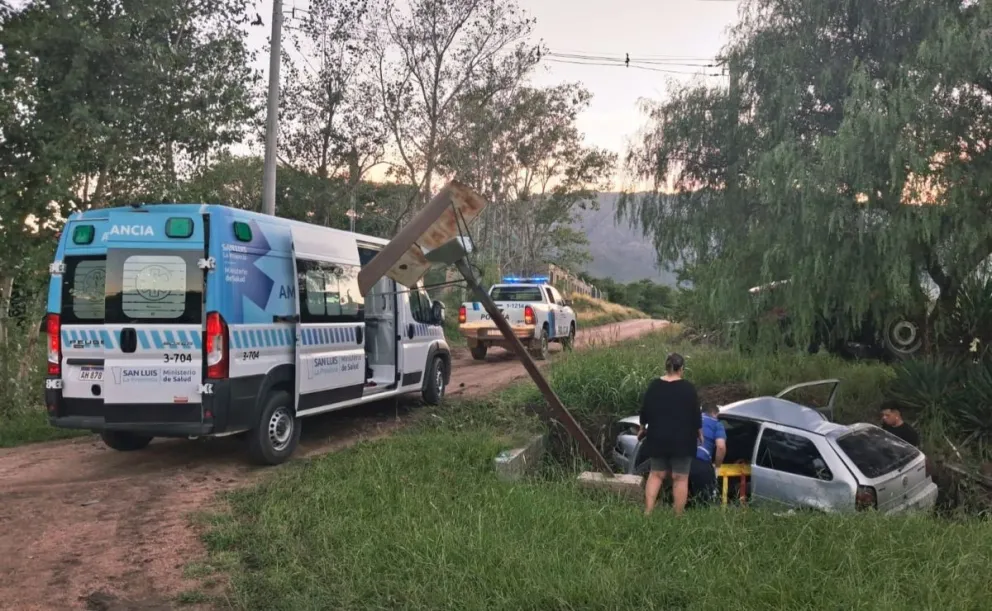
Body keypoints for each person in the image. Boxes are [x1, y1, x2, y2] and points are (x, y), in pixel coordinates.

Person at [637, 353, 702, 516]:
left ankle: (648, 511)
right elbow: (695, 415)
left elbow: (645, 410)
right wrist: (699, 433)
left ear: (666, 367)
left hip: (658, 437)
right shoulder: (688, 389)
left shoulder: (654, 386)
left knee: (656, 474)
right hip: (683, 440)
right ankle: (678, 515)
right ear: (681, 369)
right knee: (680, 477)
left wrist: (642, 428)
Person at [689, 404, 726, 505]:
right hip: (701, 463)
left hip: (681, 460)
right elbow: (721, 447)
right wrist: (717, 467)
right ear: (714, 413)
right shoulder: (717, 424)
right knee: (706, 502)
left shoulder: (691, 419)